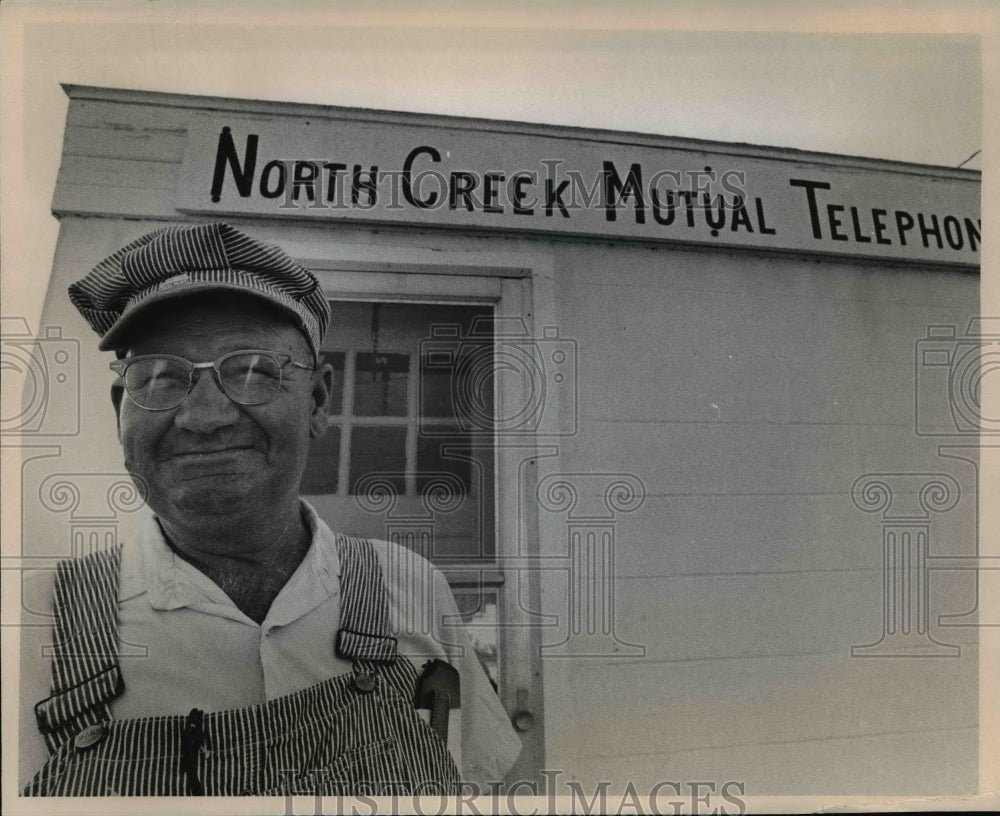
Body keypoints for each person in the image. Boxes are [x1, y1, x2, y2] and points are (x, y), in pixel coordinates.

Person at [18, 222, 521, 796]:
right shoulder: (32, 629)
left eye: (254, 371)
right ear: (120, 410)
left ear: (317, 401)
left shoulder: (410, 585)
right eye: (158, 377)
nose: (203, 416)